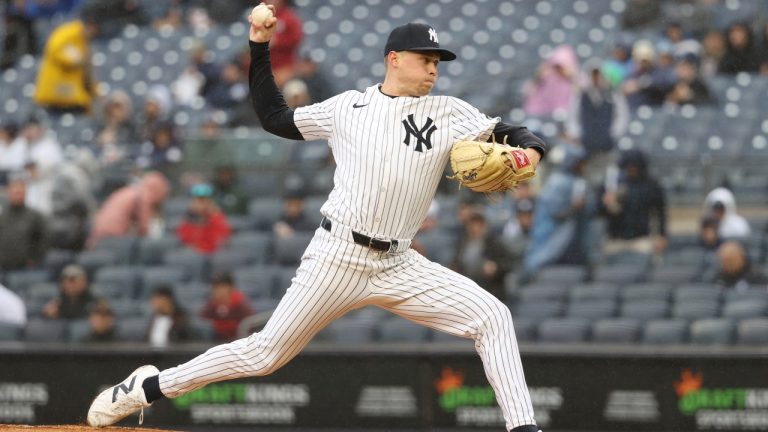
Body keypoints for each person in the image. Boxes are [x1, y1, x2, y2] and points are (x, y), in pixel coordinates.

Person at [87, 16, 546, 432]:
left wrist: (528, 154)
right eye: (425, 59)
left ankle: (523, 429)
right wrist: (259, 46)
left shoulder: (449, 111)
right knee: (263, 355)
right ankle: (146, 388)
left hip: (401, 262)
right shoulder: (348, 109)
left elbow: (522, 136)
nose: (433, 70)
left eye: (437, 62)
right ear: (393, 59)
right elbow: (273, 118)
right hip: (339, 256)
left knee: (492, 316)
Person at [522, 144, 594, 282]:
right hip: (553, 236)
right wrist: (575, 207)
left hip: (574, 240)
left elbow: (591, 208)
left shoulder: (579, 181)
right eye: (580, 163)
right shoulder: (558, 182)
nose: (583, 166)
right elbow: (555, 212)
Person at [600, 149, 667, 258]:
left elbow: (661, 212)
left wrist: (661, 235)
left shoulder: (651, 185)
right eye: (628, 166)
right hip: (616, 239)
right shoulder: (613, 184)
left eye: (634, 166)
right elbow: (601, 212)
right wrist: (606, 203)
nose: (631, 169)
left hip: (641, 239)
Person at [33, 16, 98, 115]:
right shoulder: (71, 32)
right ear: (89, 25)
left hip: (73, 100)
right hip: (56, 98)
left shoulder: (84, 43)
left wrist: (95, 93)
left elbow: (87, 75)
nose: (94, 33)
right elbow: (54, 48)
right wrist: (76, 59)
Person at [87, 171, 170, 247]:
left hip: (99, 233)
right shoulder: (144, 196)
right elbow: (144, 226)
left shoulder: (132, 191)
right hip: (112, 235)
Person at [453, 209, 514, 302]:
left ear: (485, 225)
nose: (475, 228)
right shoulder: (462, 243)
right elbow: (456, 264)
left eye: (479, 224)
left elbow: (509, 263)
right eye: (472, 224)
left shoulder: (494, 243)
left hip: (490, 292)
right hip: (468, 291)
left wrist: (496, 268)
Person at [0, 176, 48, 272]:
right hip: (2, 267)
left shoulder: (35, 216)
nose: (17, 195)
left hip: (25, 268)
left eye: (20, 192)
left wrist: (35, 258)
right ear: (8, 193)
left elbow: (44, 239)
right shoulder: (2, 215)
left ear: (25, 193)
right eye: (14, 192)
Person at [176, 183, 232, 254]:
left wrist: (211, 217)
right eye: (195, 199)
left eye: (202, 200)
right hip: (192, 257)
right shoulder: (188, 218)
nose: (198, 203)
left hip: (211, 257)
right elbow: (184, 239)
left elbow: (217, 243)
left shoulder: (218, 218)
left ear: (210, 201)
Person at [199, 271, 253, 342]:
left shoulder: (241, 306)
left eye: (223, 286)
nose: (220, 291)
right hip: (214, 345)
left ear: (231, 288)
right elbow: (203, 325)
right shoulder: (210, 306)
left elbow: (249, 330)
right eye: (216, 287)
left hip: (238, 347)